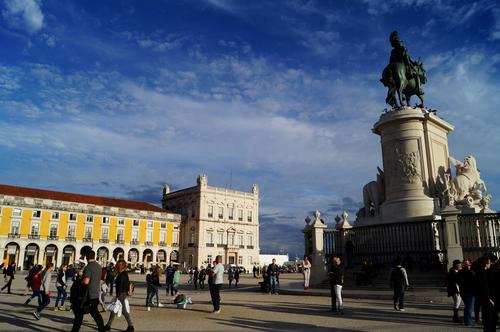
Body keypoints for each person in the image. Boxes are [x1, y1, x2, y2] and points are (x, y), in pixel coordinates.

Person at [71, 250, 106, 332]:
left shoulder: (88, 267)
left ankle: (75, 330)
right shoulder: (98, 266)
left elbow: (86, 281)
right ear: (94, 256)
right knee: (95, 313)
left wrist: (80, 279)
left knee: (79, 314)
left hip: (87, 294)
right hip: (96, 293)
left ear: (86, 257)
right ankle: (102, 329)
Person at [105, 259, 134, 331]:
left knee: (122, 310)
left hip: (121, 294)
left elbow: (121, 285)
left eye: (117, 265)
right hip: (122, 294)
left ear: (120, 266)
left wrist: (117, 295)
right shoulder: (123, 273)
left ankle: (130, 326)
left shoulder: (122, 274)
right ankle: (108, 325)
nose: (116, 266)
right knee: (115, 309)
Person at [458, 259, 476, 326]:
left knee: (467, 306)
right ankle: (468, 321)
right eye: (469, 265)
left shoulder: (460, 272)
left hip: (462, 291)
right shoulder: (470, 272)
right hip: (470, 292)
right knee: (469, 307)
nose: (470, 266)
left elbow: (456, 280)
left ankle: (467, 320)